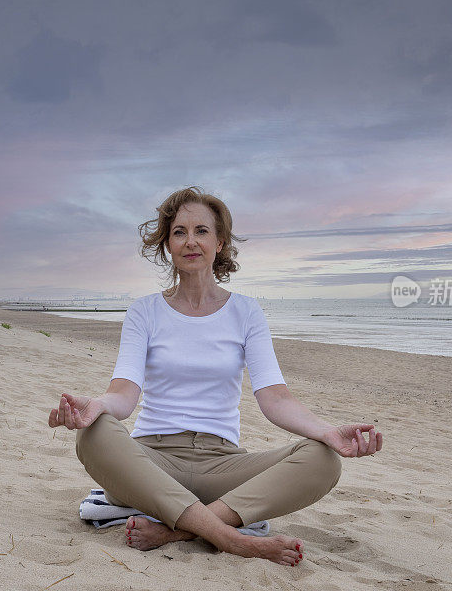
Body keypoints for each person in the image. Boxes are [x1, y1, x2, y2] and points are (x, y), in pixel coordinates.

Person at [48, 186, 382, 566]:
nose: (191, 241)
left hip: (224, 465)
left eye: (202, 231)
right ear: (167, 245)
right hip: (153, 462)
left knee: (323, 459)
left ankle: (180, 529)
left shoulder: (246, 311)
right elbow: (123, 393)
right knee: (95, 432)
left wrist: (327, 432)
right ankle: (231, 538)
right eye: (179, 232)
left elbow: (275, 398)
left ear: (220, 242)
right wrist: (94, 406)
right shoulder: (144, 312)